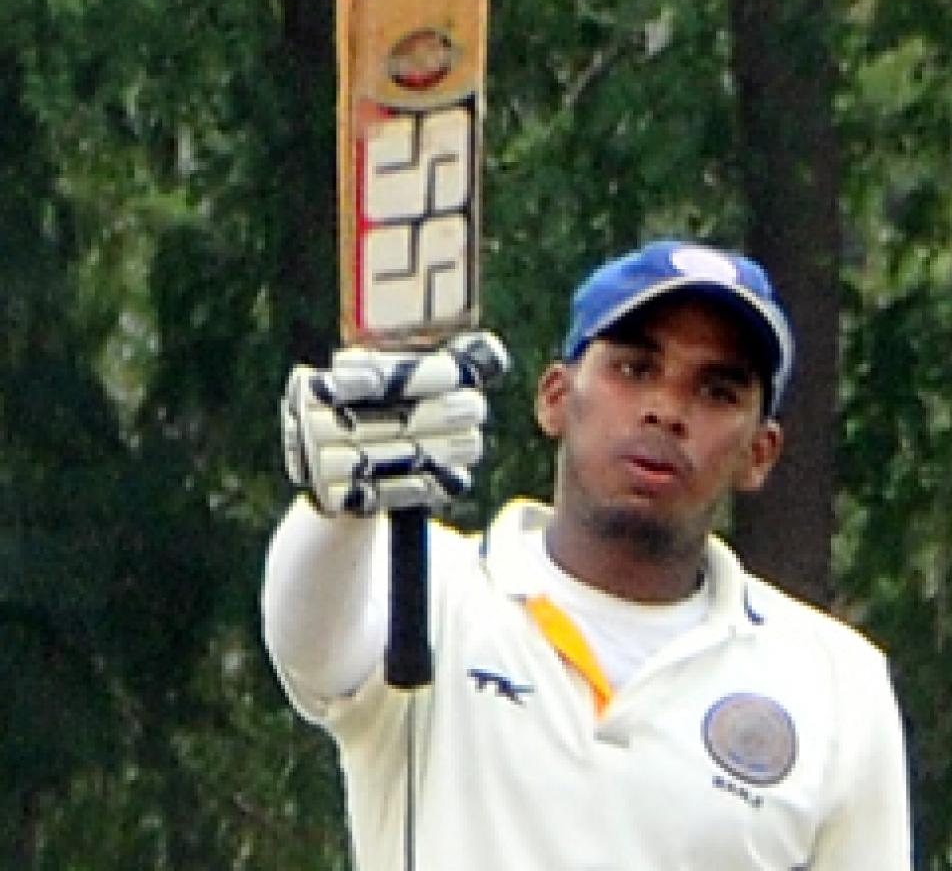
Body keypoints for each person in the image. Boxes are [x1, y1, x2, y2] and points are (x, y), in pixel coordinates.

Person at [262, 239, 912, 870]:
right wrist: (336, 501)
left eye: (717, 391)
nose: (666, 410)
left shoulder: (837, 683)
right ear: (555, 397)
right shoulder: (430, 587)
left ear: (760, 452)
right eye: (635, 369)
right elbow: (306, 639)